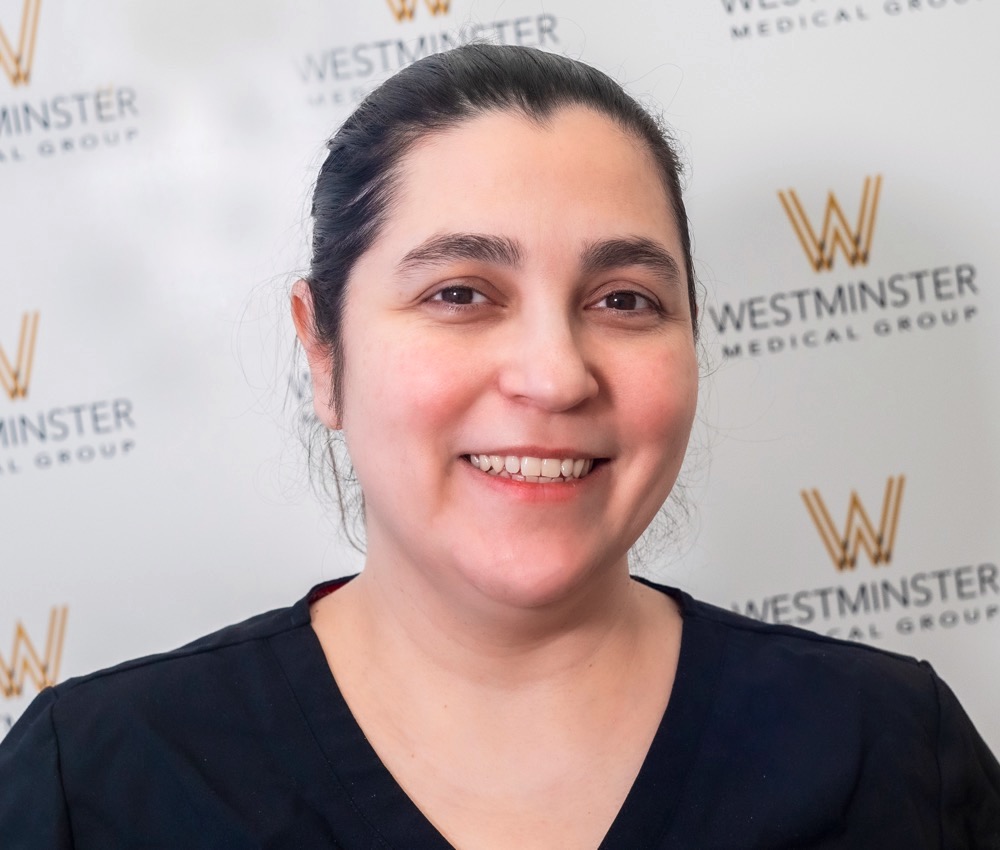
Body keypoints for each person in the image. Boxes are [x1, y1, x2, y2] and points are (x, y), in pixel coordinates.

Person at [1, 43, 998, 850]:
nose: (555, 376)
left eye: (624, 300)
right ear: (323, 351)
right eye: (461, 293)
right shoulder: (94, 783)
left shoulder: (891, 752)